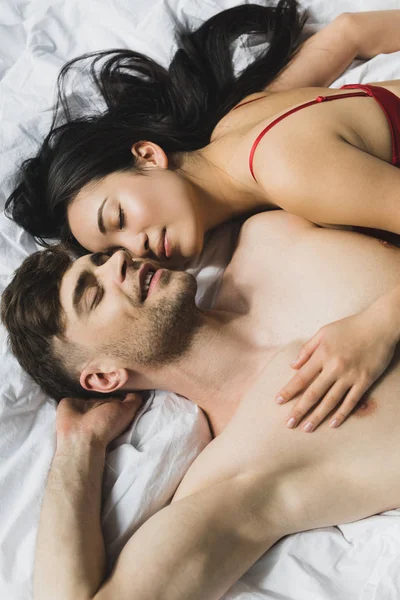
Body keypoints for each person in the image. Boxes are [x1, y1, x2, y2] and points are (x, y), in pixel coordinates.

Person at [6, 2, 400, 424]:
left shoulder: (287, 170)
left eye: (118, 218)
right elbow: (348, 31)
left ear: (147, 155)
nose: (136, 247)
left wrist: (377, 328)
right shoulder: (235, 121)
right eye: (116, 246)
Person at [4, 209, 400, 599]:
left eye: (105, 258)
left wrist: (383, 322)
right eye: (94, 294)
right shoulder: (239, 469)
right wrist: (79, 446)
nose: (119, 262)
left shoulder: (269, 239)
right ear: (105, 378)